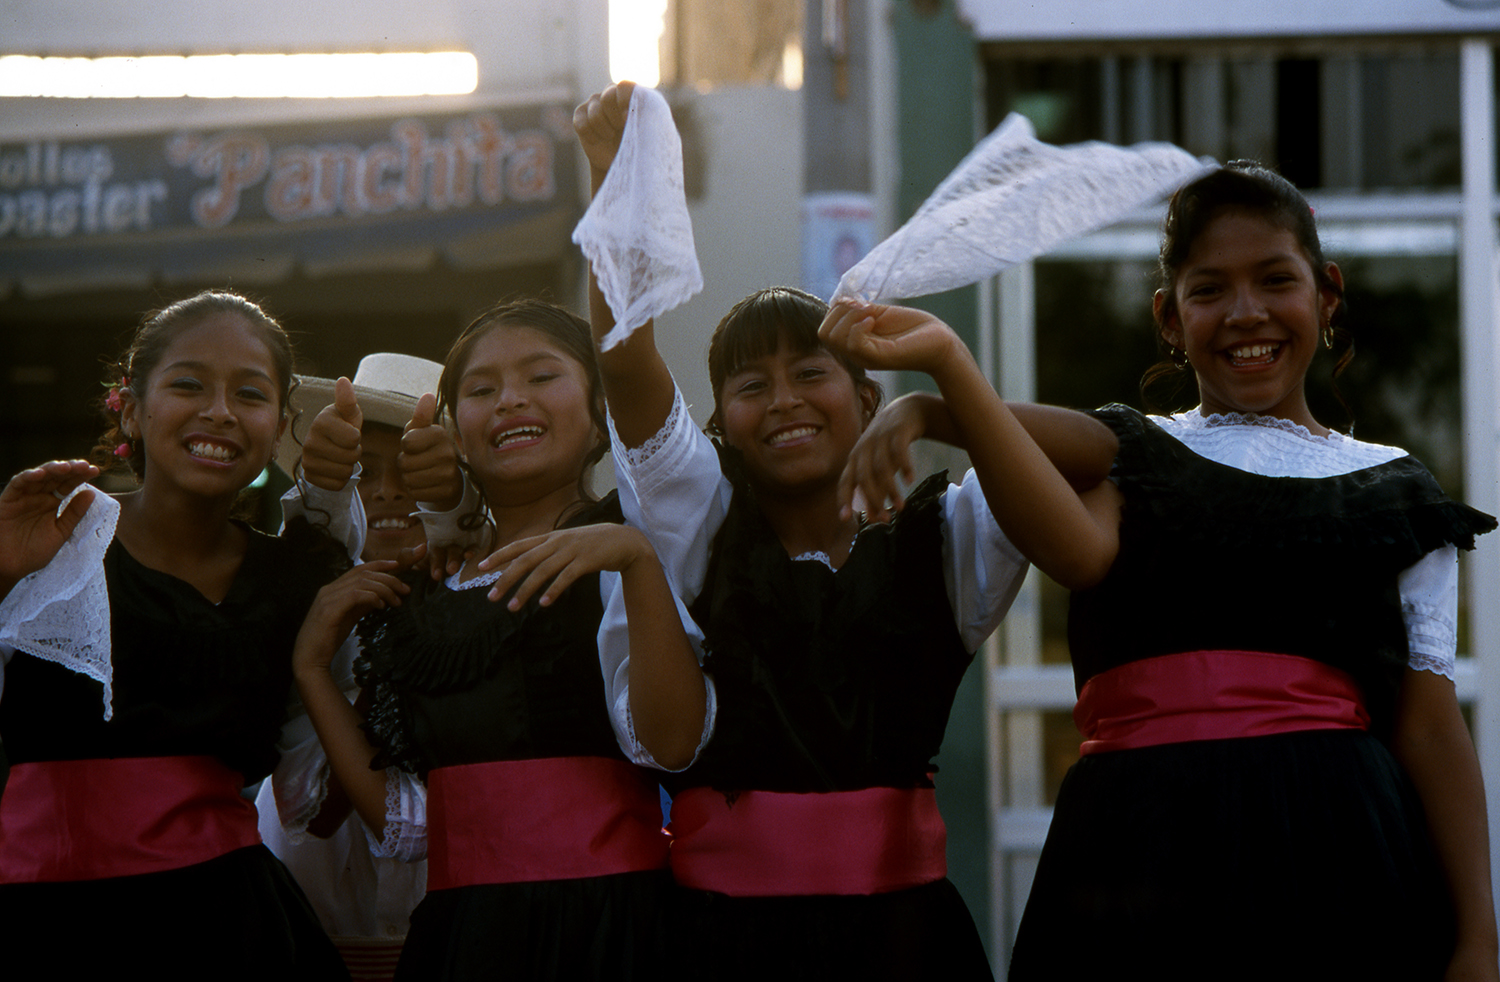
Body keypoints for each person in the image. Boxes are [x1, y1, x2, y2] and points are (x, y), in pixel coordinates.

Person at [818, 162, 1499, 981]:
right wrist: (939, 384)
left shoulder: (1398, 490)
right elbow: (1071, 540)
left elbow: (1429, 727)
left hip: (1337, 854)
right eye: (1209, 290)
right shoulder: (1135, 454)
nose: (1246, 312)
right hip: (1137, 851)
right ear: (1169, 320)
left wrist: (1477, 939)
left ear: (1326, 294)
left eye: (1275, 280)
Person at [574, 82, 1044, 980]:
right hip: (723, 947)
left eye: (811, 374)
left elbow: (1090, 458)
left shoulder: (947, 535)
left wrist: (943, 398)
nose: (783, 401)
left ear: (867, 397)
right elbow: (626, 360)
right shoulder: (700, 520)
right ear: (721, 422)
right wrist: (616, 185)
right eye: (750, 385)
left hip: (909, 946)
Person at [290, 299, 709, 980]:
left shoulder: (635, 534)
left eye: (541, 376)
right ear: (455, 433)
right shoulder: (427, 592)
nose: (511, 400)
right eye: (482, 390)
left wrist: (634, 557)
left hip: (611, 934)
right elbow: (406, 826)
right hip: (464, 944)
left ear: (600, 412)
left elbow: (675, 743)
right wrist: (310, 667)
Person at [0, 290, 350, 978]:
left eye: (249, 394)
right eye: (188, 384)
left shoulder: (295, 577)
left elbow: (319, 789)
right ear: (131, 408)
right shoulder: (46, 540)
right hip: (46, 923)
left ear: (281, 424)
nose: (219, 411)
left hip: (231, 929)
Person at [258, 352, 455, 981]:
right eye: (363, 471)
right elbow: (312, 812)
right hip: (309, 924)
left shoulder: (482, 612)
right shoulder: (306, 602)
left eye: (415, 469)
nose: (391, 489)